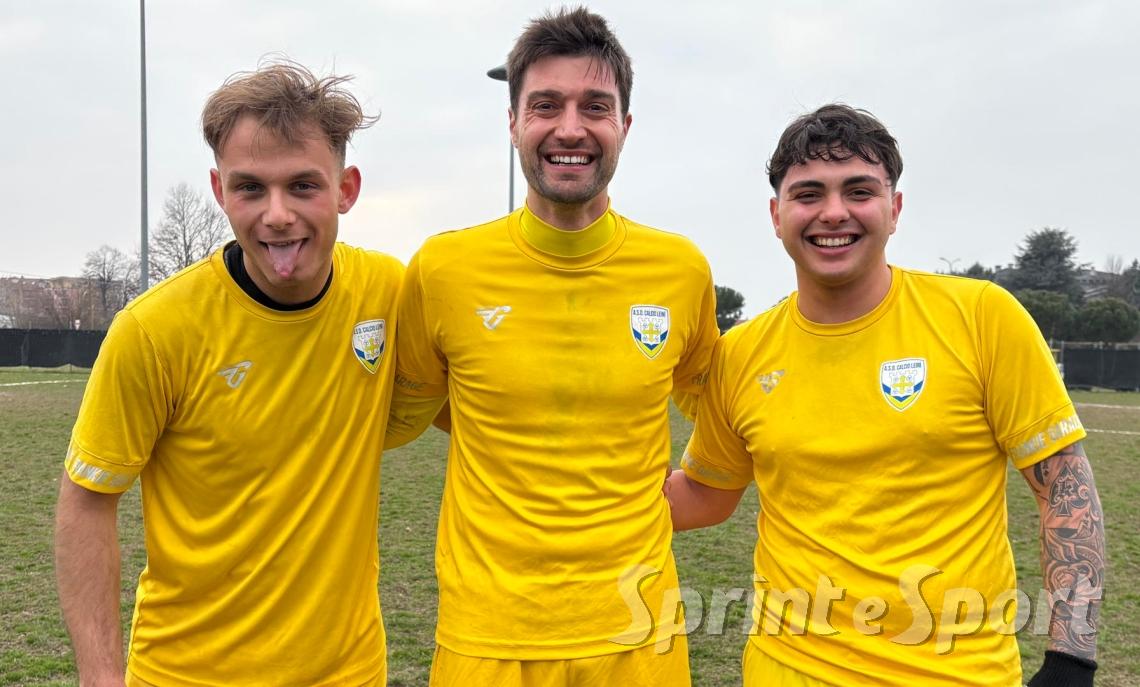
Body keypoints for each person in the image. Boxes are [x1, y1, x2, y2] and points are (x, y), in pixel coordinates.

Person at [666, 104, 1105, 686]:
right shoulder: (741, 354)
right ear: (777, 214)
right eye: (808, 194)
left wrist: (1072, 660)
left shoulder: (981, 318)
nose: (833, 212)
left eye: (859, 190)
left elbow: (1066, 488)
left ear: (894, 208)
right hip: (786, 671)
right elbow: (704, 496)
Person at [385, 7, 718, 686]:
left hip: (639, 637)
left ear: (624, 124)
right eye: (545, 106)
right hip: (486, 640)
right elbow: (415, 407)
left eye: (595, 106)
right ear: (513, 122)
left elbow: (720, 404)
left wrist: (692, 493)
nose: (570, 128)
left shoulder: (680, 270)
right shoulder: (444, 269)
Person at [54, 61, 402, 687]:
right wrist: (100, 676)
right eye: (250, 188)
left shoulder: (388, 294)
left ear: (346, 188)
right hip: (188, 674)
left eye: (303, 186)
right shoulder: (154, 329)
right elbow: (85, 500)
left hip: (348, 673)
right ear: (219, 190)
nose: (276, 214)